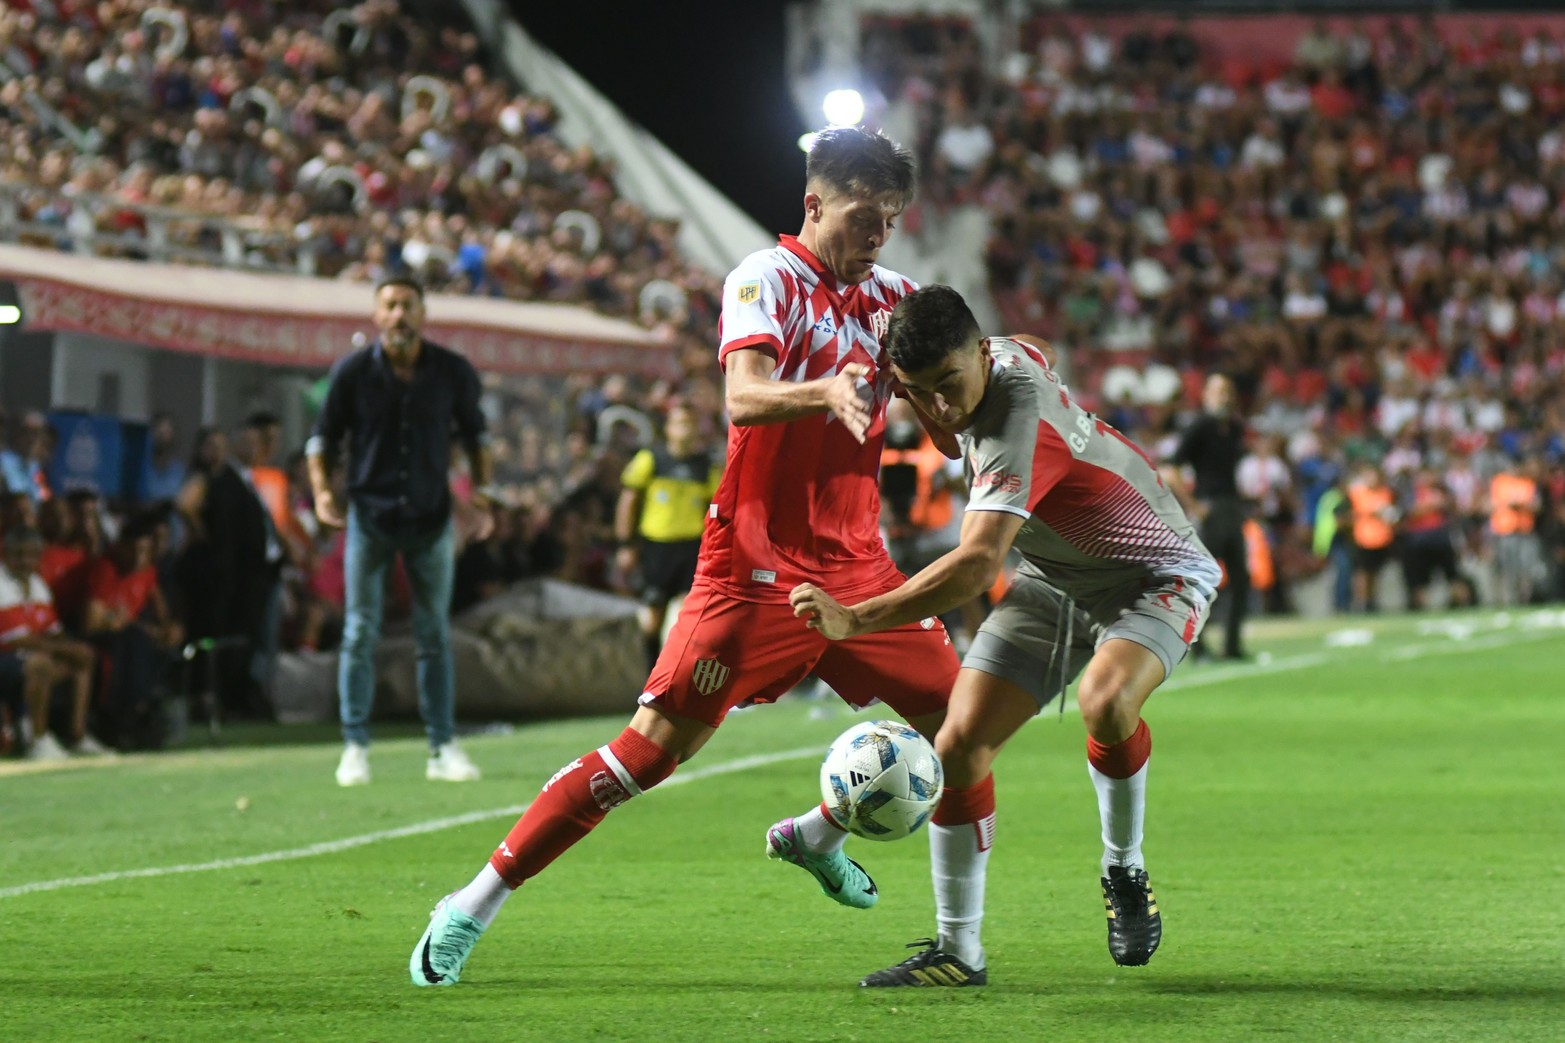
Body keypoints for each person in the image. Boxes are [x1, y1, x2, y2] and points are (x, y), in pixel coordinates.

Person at [407, 127, 974, 988]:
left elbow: (944, 422)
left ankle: (859, 868)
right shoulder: (764, 278)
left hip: (861, 571)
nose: (878, 235)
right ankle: (470, 903)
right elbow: (742, 398)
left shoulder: (894, 299)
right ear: (815, 203)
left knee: (964, 729)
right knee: (644, 758)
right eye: (865, 216)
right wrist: (823, 390)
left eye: (891, 220)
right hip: (755, 571)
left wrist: (955, 399)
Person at [790, 286, 1220, 984]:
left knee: (1105, 701)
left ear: (982, 356)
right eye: (917, 391)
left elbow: (976, 566)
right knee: (957, 745)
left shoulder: (1010, 425)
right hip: (1056, 576)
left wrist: (856, 617)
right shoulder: (1003, 356)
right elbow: (1035, 350)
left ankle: (1123, 866)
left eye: (948, 383)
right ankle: (959, 951)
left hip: (1153, 574)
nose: (938, 407)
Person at [306, 275, 494, 786]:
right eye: (389, 305)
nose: (398, 315)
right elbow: (322, 440)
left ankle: (442, 747)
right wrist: (322, 493)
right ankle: (354, 746)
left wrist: (482, 494)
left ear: (422, 313)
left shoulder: (451, 371)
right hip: (370, 517)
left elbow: (477, 437)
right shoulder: (351, 372)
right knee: (359, 632)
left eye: (407, 305)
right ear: (376, 315)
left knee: (433, 634)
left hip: (431, 519)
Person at [613, 398, 722, 671]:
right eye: (680, 423)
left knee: (686, 615)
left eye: (691, 424)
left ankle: (676, 674)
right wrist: (625, 544)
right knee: (652, 617)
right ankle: (650, 671)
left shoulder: (706, 467)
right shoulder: (651, 459)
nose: (686, 429)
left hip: (691, 548)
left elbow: (716, 508)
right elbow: (629, 501)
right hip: (656, 548)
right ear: (668, 428)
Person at [0, 525, 107, 760]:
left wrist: (73, 649)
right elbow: (16, 640)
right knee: (41, 664)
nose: (24, 561)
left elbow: (51, 631)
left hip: (23, 656)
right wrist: (65, 649)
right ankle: (37, 741)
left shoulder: (36, 584)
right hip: (6, 655)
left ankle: (77, 735)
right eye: (18, 554)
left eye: (30, 554)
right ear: (5, 555)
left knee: (83, 657)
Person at [1165, 374, 1249, 658]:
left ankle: (1232, 646)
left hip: (1231, 507)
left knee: (1240, 579)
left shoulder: (1234, 428)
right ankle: (1197, 647)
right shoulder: (1200, 426)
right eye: (1218, 391)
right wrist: (1193, 505)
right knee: (1205, 579)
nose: (1224, 397)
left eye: (1228, 391)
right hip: (1210, 508)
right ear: (1206, 395)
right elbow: (1171, 469)